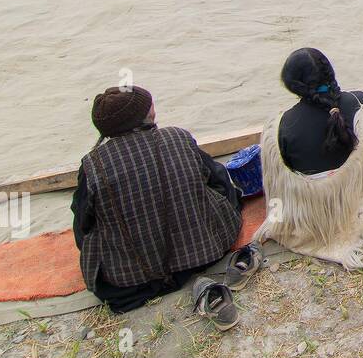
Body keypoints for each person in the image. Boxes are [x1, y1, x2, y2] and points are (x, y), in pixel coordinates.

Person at [71, 85, 242, 313]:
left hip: (130, 282)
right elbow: (219, 180)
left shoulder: (93, 165)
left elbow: (82, 224)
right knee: (227, 190)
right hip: (206, 253)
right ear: (144, 116)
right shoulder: (178, 136)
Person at [254, 49, 363, 267]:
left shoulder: (280, 126)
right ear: (330, 73)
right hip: (358, 208)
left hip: (312, 217)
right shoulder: (359, 103)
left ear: (292, 85)